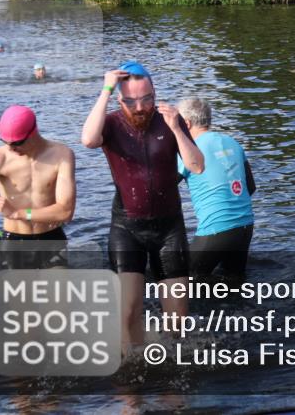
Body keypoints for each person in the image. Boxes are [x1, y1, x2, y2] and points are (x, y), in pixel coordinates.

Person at [81, 61, 204, 350]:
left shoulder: (169, 121)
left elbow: (197, 166)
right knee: (128, 313)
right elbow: (87, 140)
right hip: (127, 228)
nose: (140, 107)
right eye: (131, 101)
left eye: (147, 99)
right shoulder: (110, 124)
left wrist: (176, 128)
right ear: (119, 99)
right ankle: (131, 385)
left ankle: (172, 381)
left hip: (169, 228)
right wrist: (105, 90)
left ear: (154, 93)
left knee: (178, 321)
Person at [0, 106, 76, 295]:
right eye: (6, 142)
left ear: (33, 132)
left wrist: (18, 213)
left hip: (52, 240)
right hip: (14, 244)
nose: (11, 148)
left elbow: (66, 211)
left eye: (17, 143)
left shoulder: (62, 155)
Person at [176, 97, 256, 281]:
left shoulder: (187, 150)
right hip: (245, 227)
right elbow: (250, 188)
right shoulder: (233, 143)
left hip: (215, 229)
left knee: (181, 281)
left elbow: (163, 190)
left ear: (186, 124)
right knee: (234, 283)